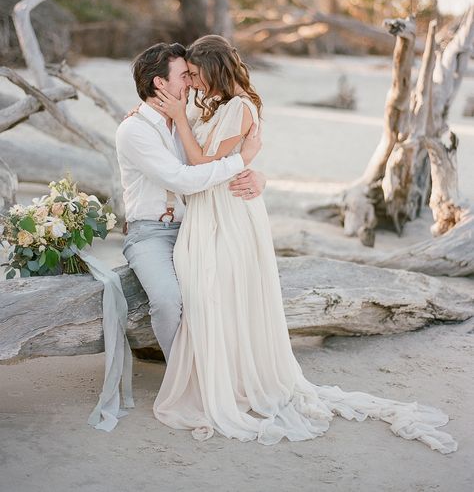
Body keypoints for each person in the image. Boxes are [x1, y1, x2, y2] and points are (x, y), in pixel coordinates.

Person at [151, 35, 457, 454]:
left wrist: (188, 126)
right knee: (208, 292)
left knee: (218, 291)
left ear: (217, 69)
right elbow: (209, 162)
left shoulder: (239, 106)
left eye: (199, 76)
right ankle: (216, 373)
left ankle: (231, 380)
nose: (196, 84)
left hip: (227, 213)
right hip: (209, 210)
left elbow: (207, 165)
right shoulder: (219, 104)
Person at [115, 42, 264, 362]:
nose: (193, 83)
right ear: (160, 83)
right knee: (168, 300)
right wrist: (241, 163)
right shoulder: (134, 130)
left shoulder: (190, 116)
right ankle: (181, 375)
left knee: (218, 294)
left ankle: (218, 369)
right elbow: (183, 178)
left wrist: (258, 175)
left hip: (195, 226)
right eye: (185, 75)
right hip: (151, 233)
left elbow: (218, 152)